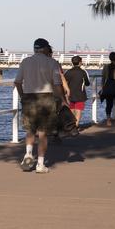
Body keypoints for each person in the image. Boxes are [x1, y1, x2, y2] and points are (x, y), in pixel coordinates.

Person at [13, 38, 68, 173]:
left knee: (30, 130)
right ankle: (40, 164)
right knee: (43, 133)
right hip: (46, 98)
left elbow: (17, 82)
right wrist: (62, 99)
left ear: (34, 49)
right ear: (45, 49)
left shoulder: (25, 62)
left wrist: (22, 96)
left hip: (29, 97)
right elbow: (56, 84)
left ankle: (28, 153)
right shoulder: (52, 63)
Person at [64, 56, 91, 131]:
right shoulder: (83, 72)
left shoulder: (68, 72)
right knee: (78, 110)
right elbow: (87, 83)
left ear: (72, 62)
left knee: (71, 110)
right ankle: (76, 126)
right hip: (80, 94)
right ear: (80, 62)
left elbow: (64, 82)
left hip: (70, 94)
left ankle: (71, 126)